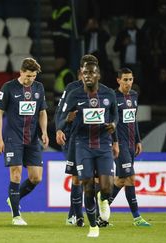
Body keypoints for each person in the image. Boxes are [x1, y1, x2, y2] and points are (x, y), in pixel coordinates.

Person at [56, 61, 118, 237]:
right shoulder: (74, 95)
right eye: (85, 73)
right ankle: (93, 226)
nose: (88, 76)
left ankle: (104, 199)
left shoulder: (109, 94)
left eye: (91, 73)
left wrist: (114, 129)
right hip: (82, 144)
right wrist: (65, 122)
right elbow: (61, 116)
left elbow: (115, 116)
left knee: (107, 187)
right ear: (81, 74)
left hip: (103, 144)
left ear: (98, 75)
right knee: (88, 186)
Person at [0, 58, 48, 226]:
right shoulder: (9, 87)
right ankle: (16, 215)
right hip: (13, 137)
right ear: (21, 72)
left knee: (36, 177)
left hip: (32, 139)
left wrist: (44, 132)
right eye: (28, 75)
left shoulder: (39, 88)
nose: (30, 79)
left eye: (33, 76)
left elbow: (42, 112)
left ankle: (14, 199)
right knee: (16, 173)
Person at [55, 54, 98, 227]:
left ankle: (95, 215)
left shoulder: (101, 89)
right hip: (75, 137)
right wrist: (60, 127)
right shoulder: (72, 89)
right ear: (80, 71)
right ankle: (74, 214)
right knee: (77, 176)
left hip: (96, 139)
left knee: (94, 178)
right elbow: (61, 112)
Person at [107, 68, 151, 227]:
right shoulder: (112, 97)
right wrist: (114, 142)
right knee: (130, 178)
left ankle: (102, 209)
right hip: (120, 143)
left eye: (130, 79)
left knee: (120, 181)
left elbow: (133, 119)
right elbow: (110, 124)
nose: (128, 83)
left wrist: (138, 140)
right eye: (125, 80)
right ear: (118, 80)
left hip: (132, 143)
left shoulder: (133, 95)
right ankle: (137, 217)